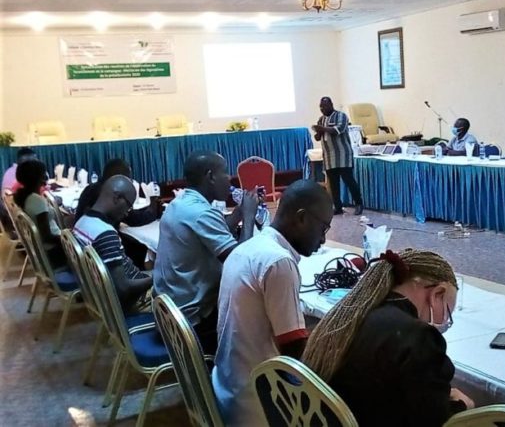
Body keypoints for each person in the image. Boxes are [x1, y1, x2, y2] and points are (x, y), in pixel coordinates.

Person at [302, 248, 474, 427]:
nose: (444, 323)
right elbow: (433, 421)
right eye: (447, 314)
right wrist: (461, 406)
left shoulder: (349, 316)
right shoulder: (418, 336)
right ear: (437, 294)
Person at [213, 179, 333, 426]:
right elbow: (295, 353)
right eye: (323, 228)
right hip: (257, 406)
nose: (323, 239)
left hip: (226, 388)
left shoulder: (248, 248)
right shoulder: (279, 262)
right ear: (302, 218)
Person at [153, 151, 259, 354]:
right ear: (210, 176)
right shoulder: (201, 213)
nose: (230, 179)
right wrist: (248, 216)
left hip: (169, 311)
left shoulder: (180, 203)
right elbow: (241, 261)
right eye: (225, 172)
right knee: (259, 311)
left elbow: (216, 231)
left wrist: (238, 212)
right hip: (193, 322)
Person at [73, 175, 152, 313]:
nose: (127, 213)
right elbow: (123, 289)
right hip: (135, 300)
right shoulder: (105, 233)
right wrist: (157, 279)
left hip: (100, 298)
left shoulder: (81, 222)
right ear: (117, 197)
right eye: (128, 206)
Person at [312, 96, 363, 216]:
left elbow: (338, 130)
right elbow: (317, 137)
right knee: (333, 184)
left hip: (342, 154)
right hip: (329, 156)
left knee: (348, 180)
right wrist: (318, 131)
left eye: (324, 106)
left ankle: (359, 204)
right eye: (320, 107)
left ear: (331, 105)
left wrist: (322, 128)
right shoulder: (321, 119)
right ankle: (338, 207)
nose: (322, 109)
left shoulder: (341, 116)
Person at [14, 160, 67, 269]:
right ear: (39, 177)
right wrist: (67, 239)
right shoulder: (37, 201)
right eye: (44, 172)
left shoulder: (28, 197)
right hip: (54, 252)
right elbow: (47, 236)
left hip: (48, 250)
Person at [74, 158, 158, 225]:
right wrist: (154, 208)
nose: (129, 181)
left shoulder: (90, 188)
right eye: (128, 178)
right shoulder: (113, 195)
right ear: (119, 179)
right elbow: (134, 220)